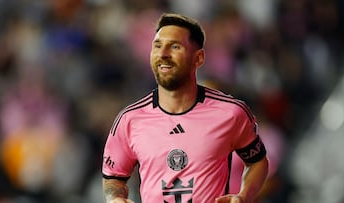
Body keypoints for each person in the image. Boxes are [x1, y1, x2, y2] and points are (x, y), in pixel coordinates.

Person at [102, 13, 269, 203]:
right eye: (157, 46)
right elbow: (114, 176)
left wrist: (244, 196)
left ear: (198, 58)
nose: (163, 53)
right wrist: (114, 198)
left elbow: (257, 162)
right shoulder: (129, 120)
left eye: (175, 46)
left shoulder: (231, 113)